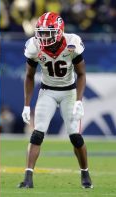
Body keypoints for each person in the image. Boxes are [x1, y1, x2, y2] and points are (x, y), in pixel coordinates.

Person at [18, 12, 93, 189]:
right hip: (47, 91)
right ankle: (28, 177)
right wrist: (26, 105)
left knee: (75, 136)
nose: (43, 36)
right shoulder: (34, 46)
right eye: (41, 32)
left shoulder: (72, 42)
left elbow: (81, 74)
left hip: (69, 92)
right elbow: (29, 76)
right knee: (37, 133)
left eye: (47, 32)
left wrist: (79, 100)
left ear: (59, 31)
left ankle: (85, 172)